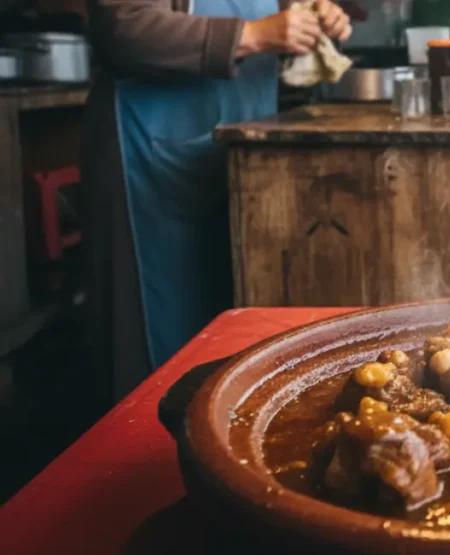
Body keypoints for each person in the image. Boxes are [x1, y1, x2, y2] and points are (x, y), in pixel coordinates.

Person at [82, 0, 352, 402]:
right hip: (151, 154)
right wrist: (255, 34)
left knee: (227, 343)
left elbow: (270, 28)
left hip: (235, 155)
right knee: (154, 348)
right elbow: (123, 28)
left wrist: (312, 24)